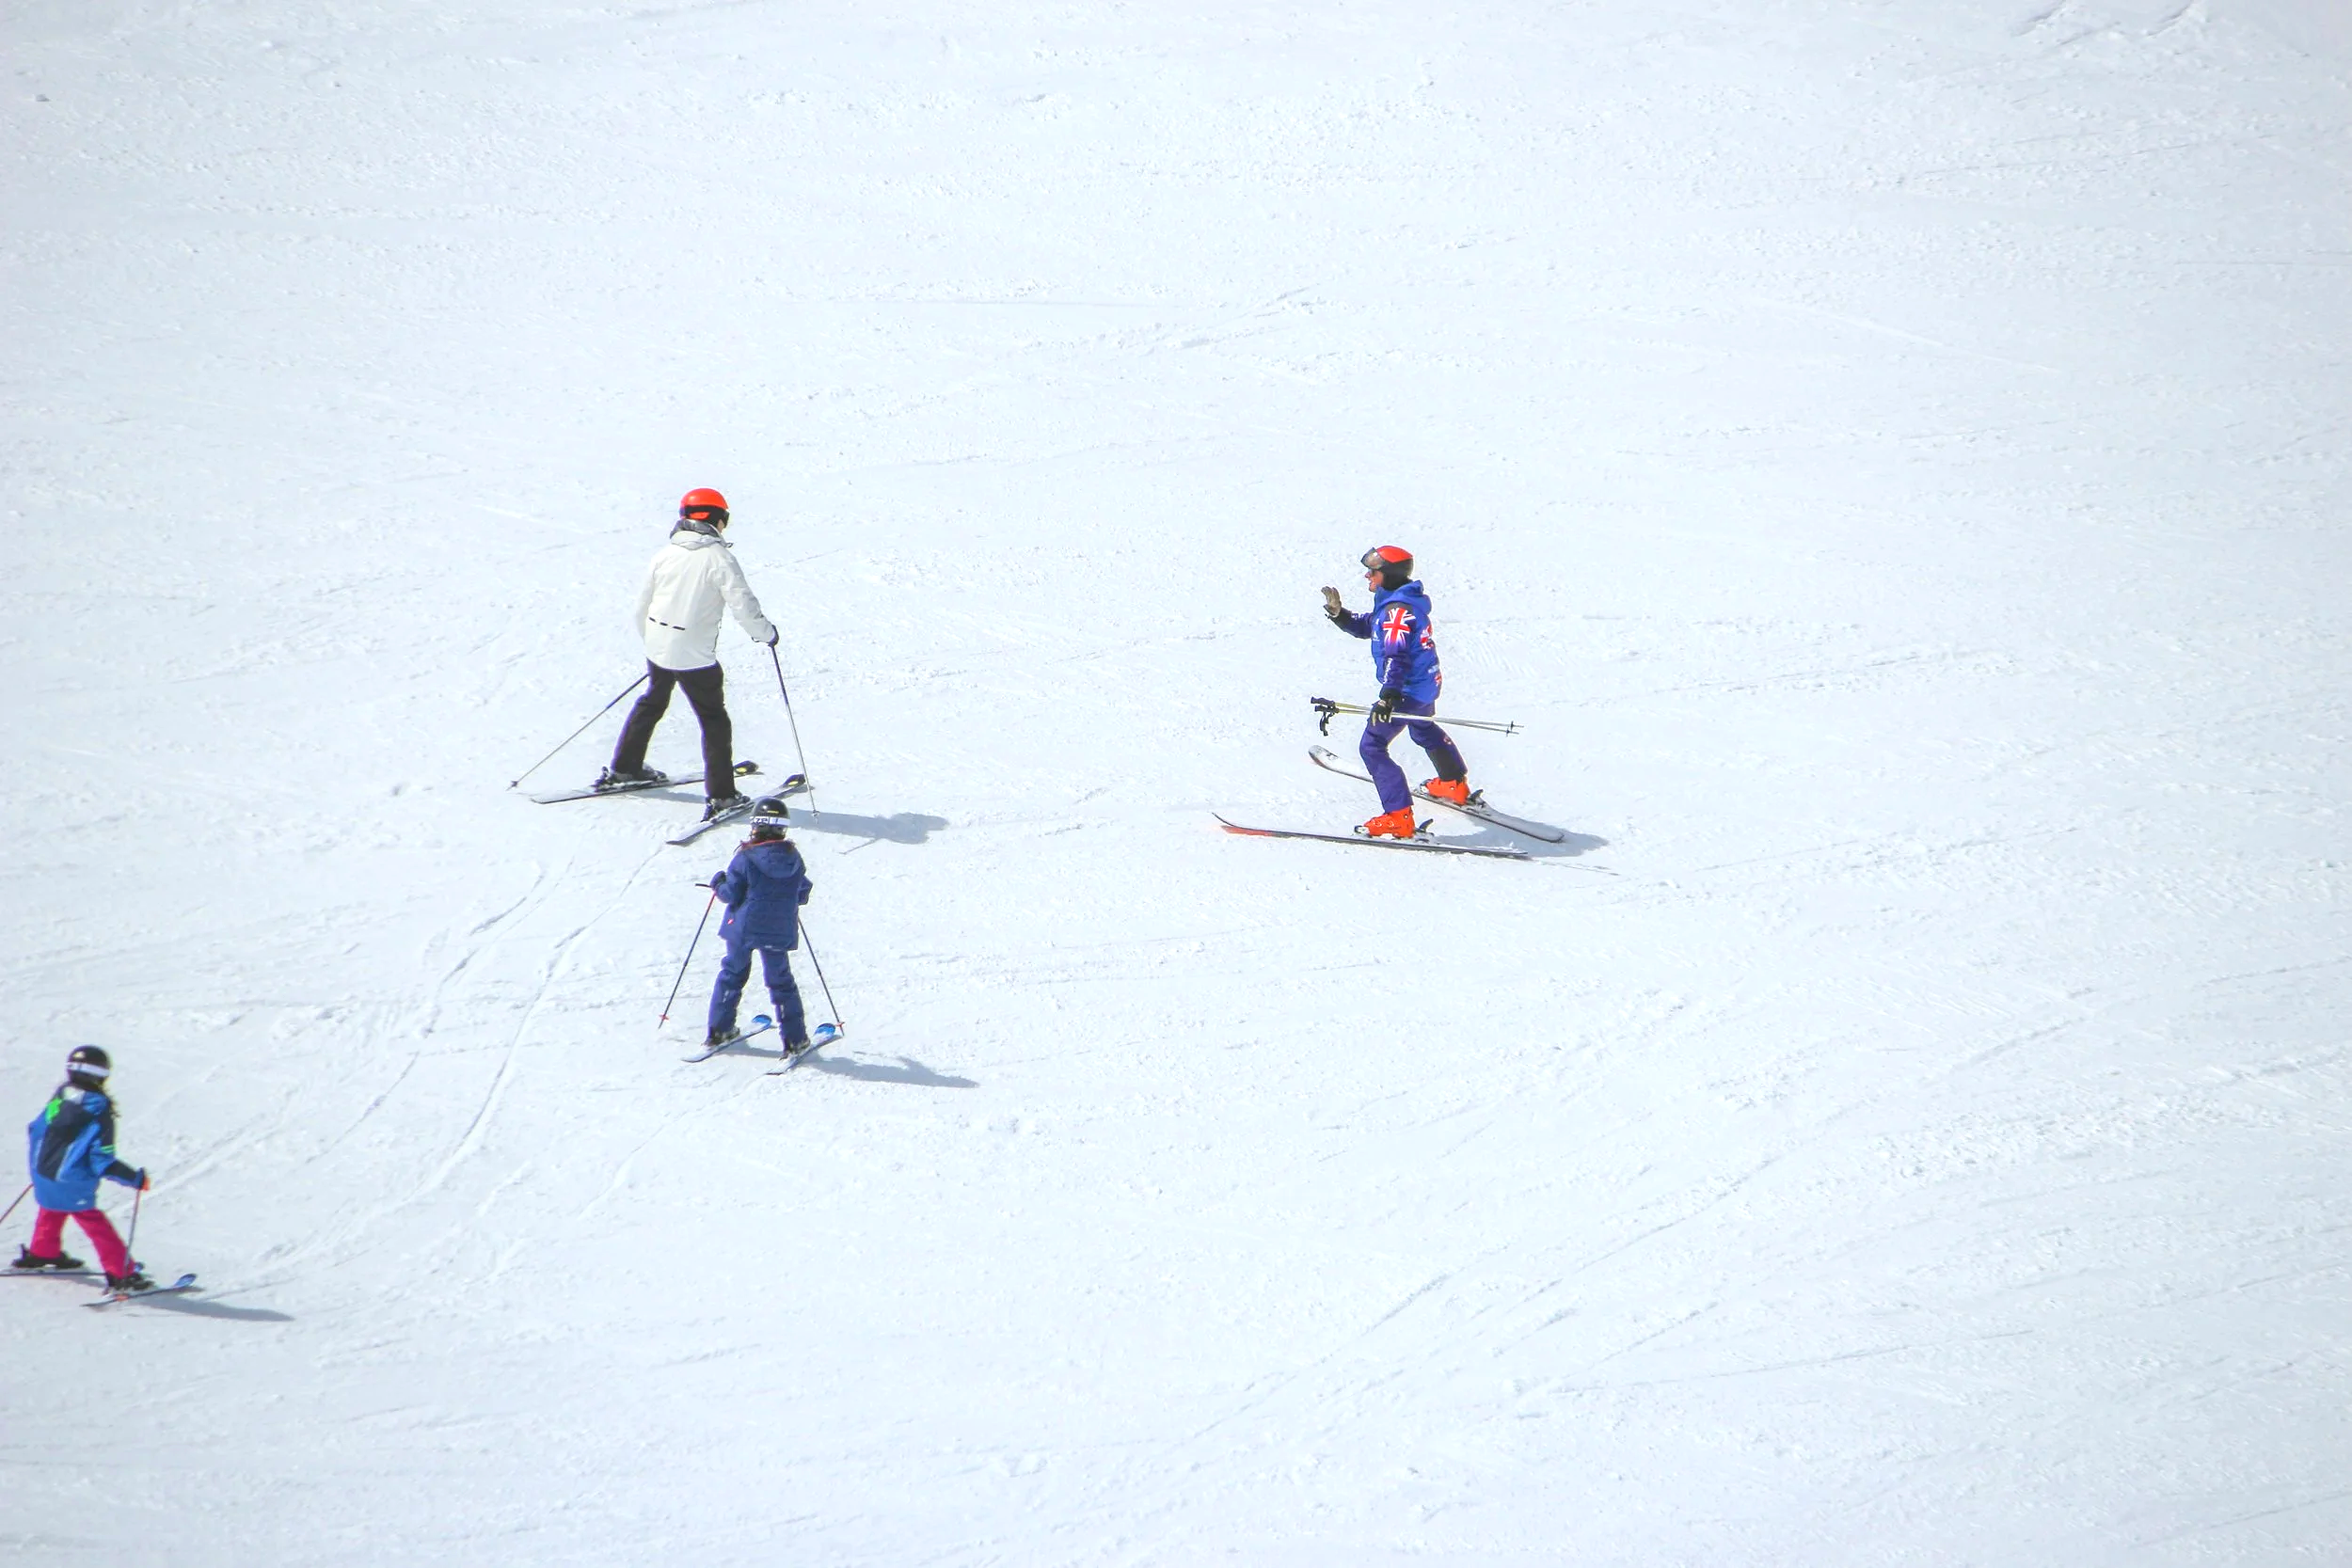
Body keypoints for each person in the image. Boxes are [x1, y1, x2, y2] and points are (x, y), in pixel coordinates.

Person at [600, 487, 779, 822]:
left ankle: (625, 768)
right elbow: (744, 606)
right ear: (717, 519)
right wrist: (766, 635)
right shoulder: (718, 558)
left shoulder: (666, 553)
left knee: (652, 700)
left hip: (658, 645)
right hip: (694, 656)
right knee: (714, 720)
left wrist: (658, 646)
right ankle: (723, 795)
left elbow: (642, 605)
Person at [1321, 545, 1470, 839]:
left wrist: (1388, 696)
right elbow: (1372, 627)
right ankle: (1454, 784)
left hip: (1407, 690)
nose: (1367, 576)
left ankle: (1398, 817)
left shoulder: (1396, 611)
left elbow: (1396, 656)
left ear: (1387, 574)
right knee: (1422, 728)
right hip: (1426, 684)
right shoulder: (1397, 601)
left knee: (1372, 746)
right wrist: (1341, 615)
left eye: (1373, 571)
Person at [12, 1046, 152, 1292]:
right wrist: (134, 1178)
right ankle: (122, 1274)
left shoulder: (62, 1094)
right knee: (94, 1223)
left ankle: (43, 1252)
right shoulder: (98, 1108)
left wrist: (45, 1164)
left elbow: (35, 1128)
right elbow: (102, 1161)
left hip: (41, 1173)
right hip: (69, 1180)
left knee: (52, 1207)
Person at [704, 794, 814, 1053]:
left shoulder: (746, 857)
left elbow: (730, 893)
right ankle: (795, 1040)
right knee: (781, 981)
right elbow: (803, 891)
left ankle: (720, 1031)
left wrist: (717, 883)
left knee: (732, 975)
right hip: (777, 930)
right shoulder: (793, 858)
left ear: (757, 826)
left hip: (743, 929)